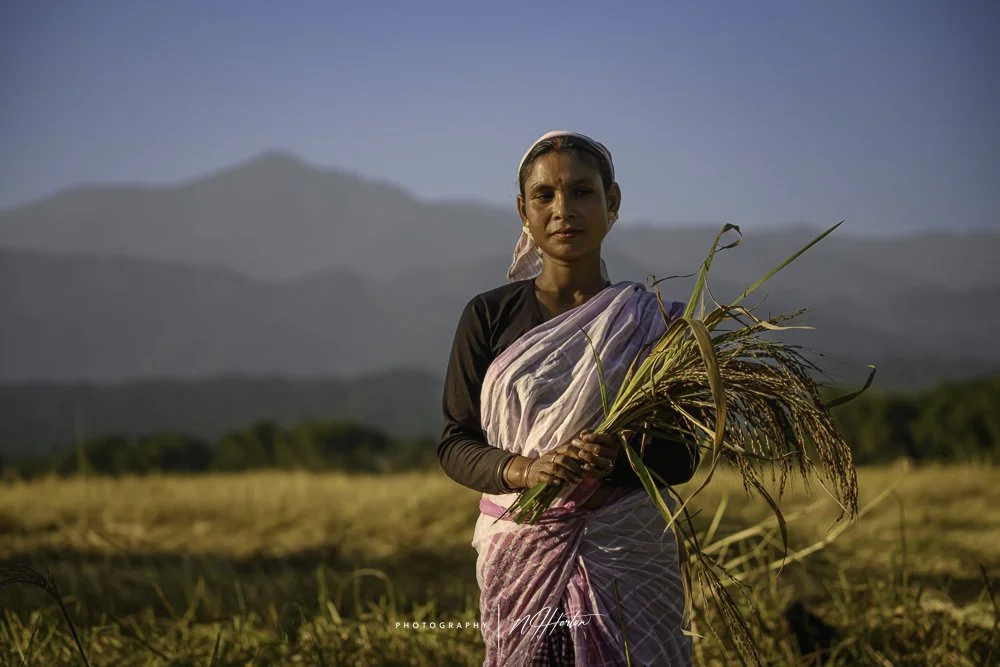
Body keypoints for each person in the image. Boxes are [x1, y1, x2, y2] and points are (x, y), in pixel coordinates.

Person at [438, 130, 698, 666]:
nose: (564, 210)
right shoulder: (488, 317)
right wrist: (526, 471)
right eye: (545, 196)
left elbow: (682, 456)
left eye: (582, 192)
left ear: (613, 202)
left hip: (627, 548)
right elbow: (455, 443)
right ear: (522, 211)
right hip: (521, 548)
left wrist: (617, 458)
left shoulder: (653, 323)